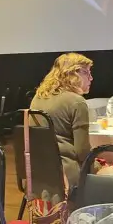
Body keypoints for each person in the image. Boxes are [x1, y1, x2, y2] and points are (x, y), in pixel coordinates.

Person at [30, 52, 94, 186]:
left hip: (38, 171)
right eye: (87, 73)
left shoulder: (38, 97)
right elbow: (82, 152)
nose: (91, 78)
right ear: (74, 73)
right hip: (67, 174)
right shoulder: (77, 102)